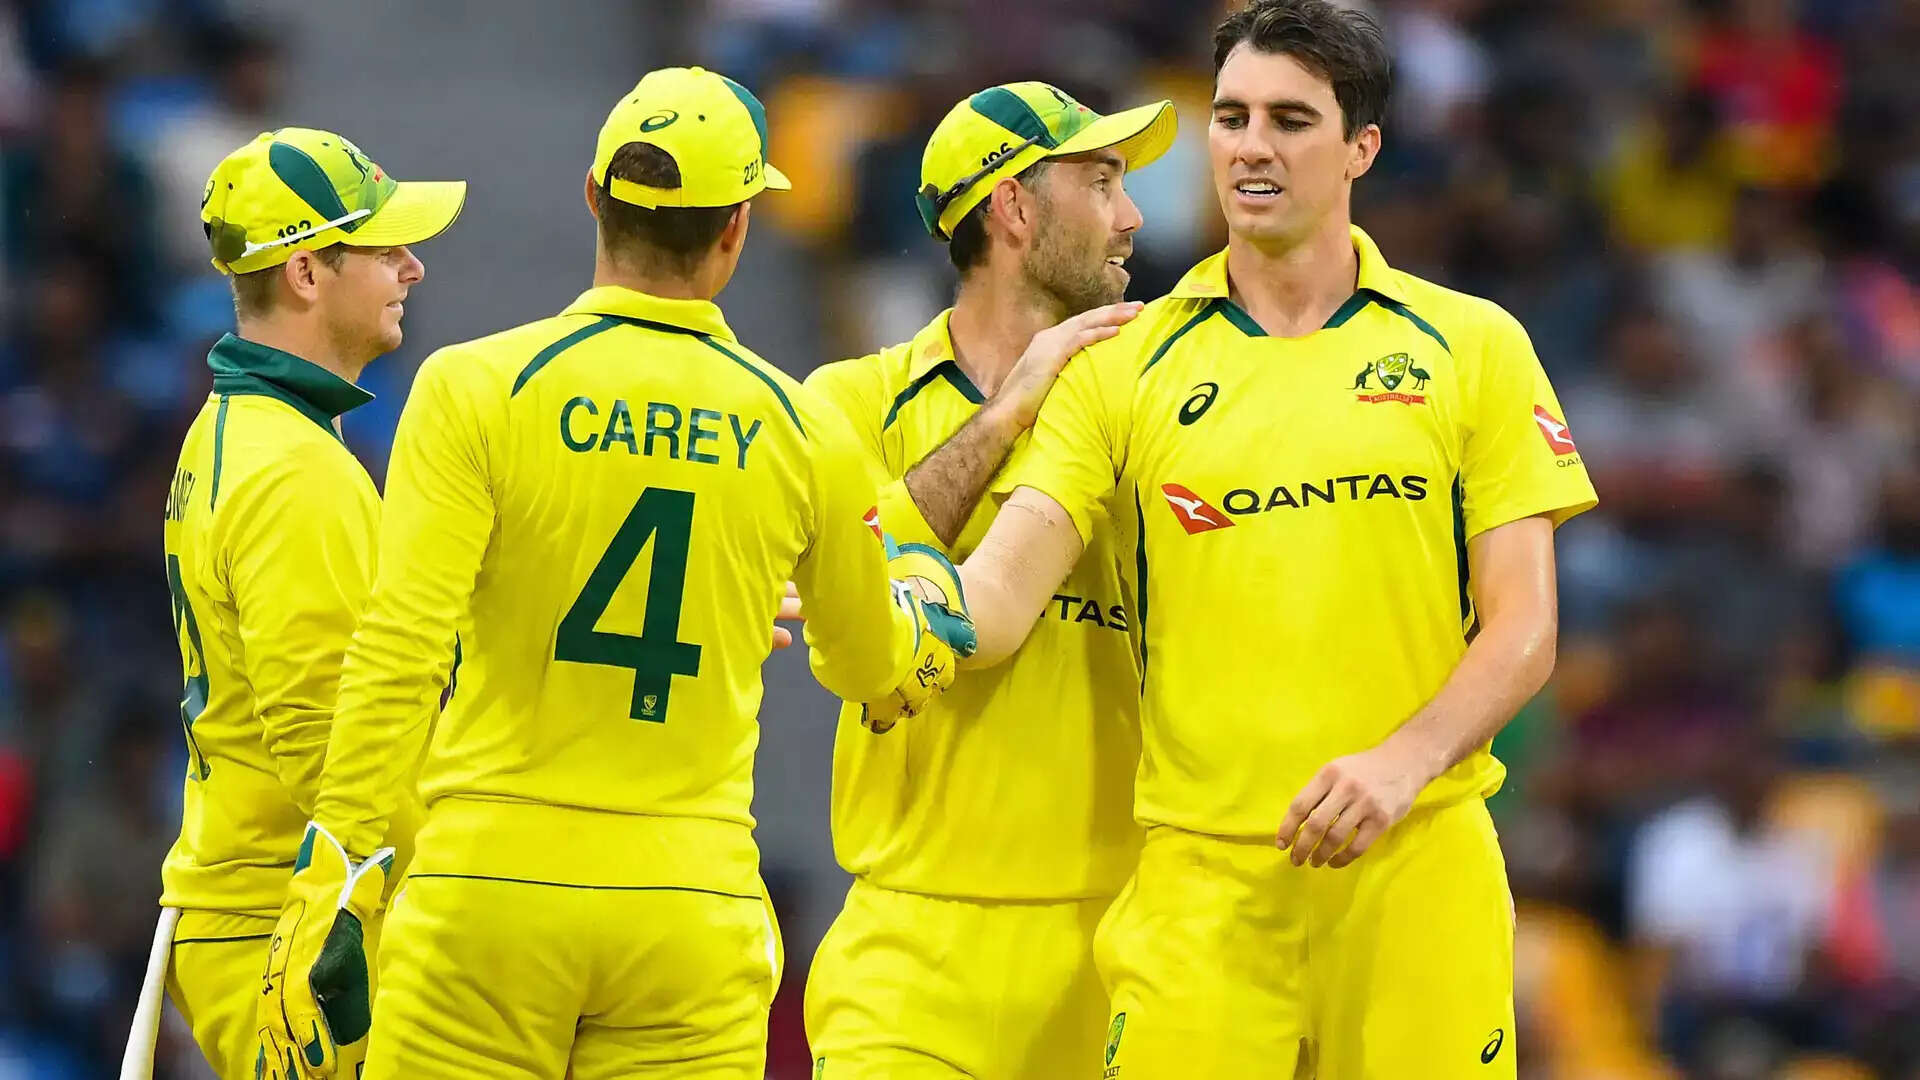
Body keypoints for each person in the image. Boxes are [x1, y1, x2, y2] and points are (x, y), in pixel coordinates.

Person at [256, 67, 972, 1080]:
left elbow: (402, 650)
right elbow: (867, 669)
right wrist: (927, 605)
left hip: (490, 896)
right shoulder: (808, 426)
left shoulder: (475, 386)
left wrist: (336, 872)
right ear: (737, 227)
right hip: (688, 912)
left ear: (593, 196)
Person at [942, 2, 1598, 1075]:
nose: (1252, 145)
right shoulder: (1122, 363)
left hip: (1418, 867)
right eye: (1232, 116)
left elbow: (1524, 628)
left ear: (1361, 148)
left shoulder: (1473, 346)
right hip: (1202, 891)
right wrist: (865, 584)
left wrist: (1402, 763)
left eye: (1291, 121)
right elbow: (995, 606)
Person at [801, 81, 1174, 1078]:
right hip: (910, 944)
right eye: (1103, 183)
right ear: (1012, 207)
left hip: (1122, 938)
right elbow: (845, 592)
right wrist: (1007, 415)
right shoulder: (850, 401)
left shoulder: (1160, 404)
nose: (1133, 217)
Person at [152, 127, 465, 1079]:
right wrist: (466, 895)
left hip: (249, 909)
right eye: (383, 247)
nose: (412, 266)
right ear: (303, 274)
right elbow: (332, 751)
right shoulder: (294, 470)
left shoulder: (240, 431)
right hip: (296, 928)